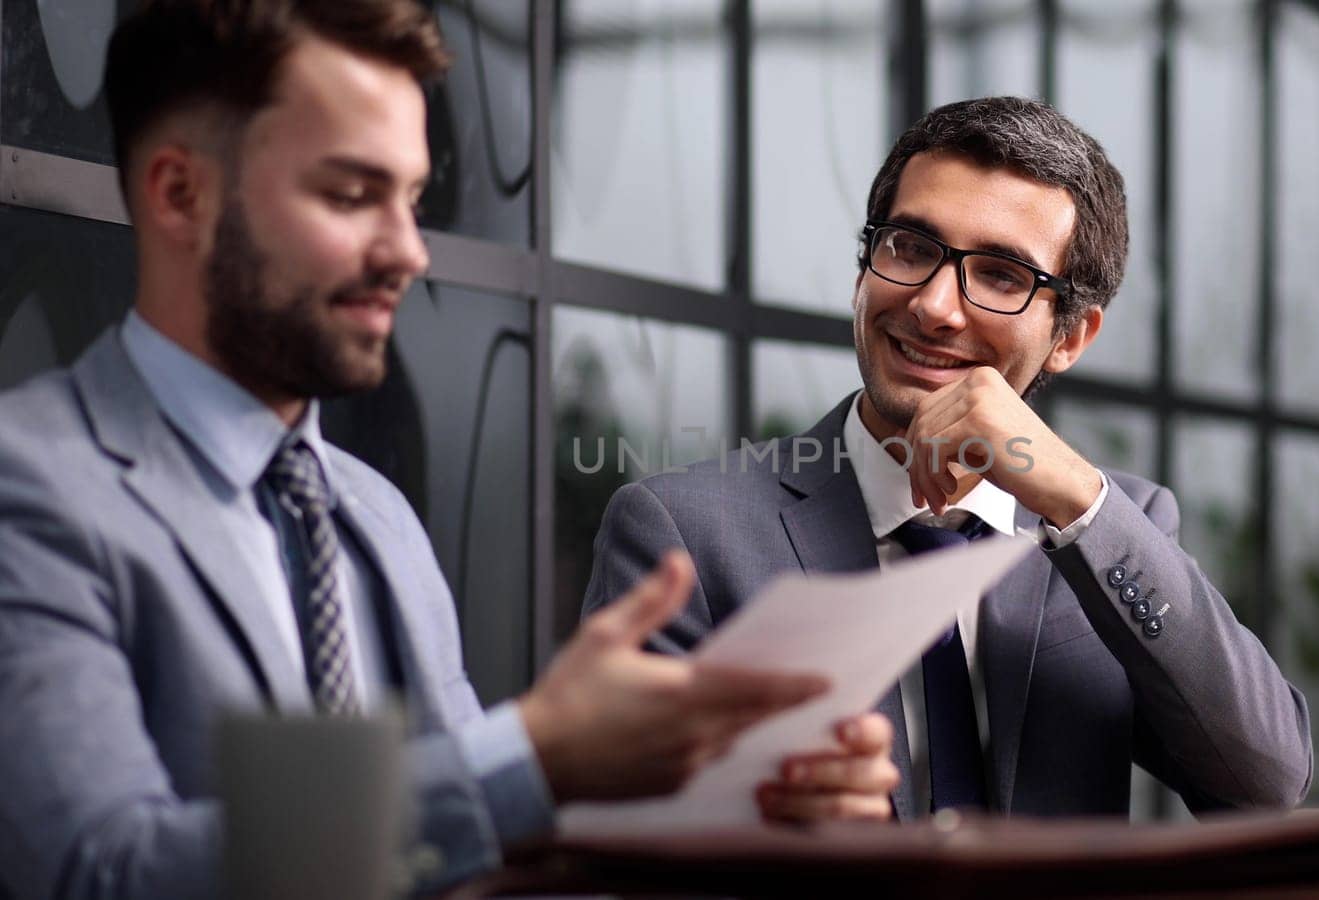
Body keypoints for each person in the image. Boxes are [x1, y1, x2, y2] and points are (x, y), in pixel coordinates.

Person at [0, 2, 894, 898]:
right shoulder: (31, 489)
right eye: (351, 195)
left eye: (413, 200)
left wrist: (728, 806)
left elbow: (460, 852)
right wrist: (534, 755)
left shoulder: (373, 515)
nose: (408, 252)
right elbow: (96, 871)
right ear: (178, 193)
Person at [583, 97, 1313, 821]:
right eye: (910, 247)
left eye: (1000, 275)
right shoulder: (685, 532)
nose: (935, 306)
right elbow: (624, 833)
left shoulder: (1117, 527)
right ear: (864, 266)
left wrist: (1076, 501)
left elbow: (1264, 781)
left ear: (1071, 338)